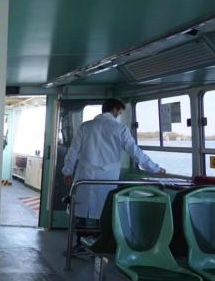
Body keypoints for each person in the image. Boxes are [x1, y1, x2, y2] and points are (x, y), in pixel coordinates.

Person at [62, 98, 166, 254]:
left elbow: (73, 151)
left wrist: (67, 171)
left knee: (81, 211)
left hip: (84, 176)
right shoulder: (120, 129)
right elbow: (135, 152)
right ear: (116, 110)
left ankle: (79, 243)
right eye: (120, 112)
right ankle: (99, 244)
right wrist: (154, 168)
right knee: (103, 211)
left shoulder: (86, 127)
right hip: (106, 177)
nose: (119, 115)